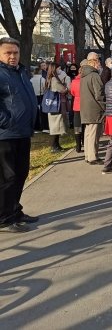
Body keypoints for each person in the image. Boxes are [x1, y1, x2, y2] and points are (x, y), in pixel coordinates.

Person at [0, 37, 38, 233]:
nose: (13, 56)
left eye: (15, 53)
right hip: (5, 135)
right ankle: (4, 218)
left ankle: (15, 210)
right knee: (7, 177)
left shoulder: (21, 72)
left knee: (21, 173)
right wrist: (6, 121)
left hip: (22, 132)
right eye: (8, 53)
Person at [80, 52, 105, 165]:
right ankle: (93, 156)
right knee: (94, 134)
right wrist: (106, 106)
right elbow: (99, 94)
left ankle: (88, 155)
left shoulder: (83, 76)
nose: (100, 63)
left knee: (88, 133)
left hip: (86, 108)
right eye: (98, 61)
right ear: (94, 63)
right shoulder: (94, 76)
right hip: (95, 108)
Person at [45, 62, 69, 153]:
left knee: (55, 125)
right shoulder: (54, 79)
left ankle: (56, 145)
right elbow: (62, 89)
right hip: (56, 105)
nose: (60, 70)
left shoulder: (49, 78)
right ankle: (54, 146)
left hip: (52, 104)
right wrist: (66, 88)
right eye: (58, 68)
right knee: (56, 126)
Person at [70, 61, 87, 153]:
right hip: (85, 105)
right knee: (85, 125)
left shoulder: (74, 81)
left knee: (77, 126)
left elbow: (72, 92)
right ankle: (84, 142)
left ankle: (78, 146)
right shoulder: (86, 81)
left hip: (76, 105)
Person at [30, 66, 46, 132]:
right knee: (42, 112)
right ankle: (43, 126)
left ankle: (35, 126)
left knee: (35, 111)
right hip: (41, 96)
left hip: (33, 96)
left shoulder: (31, 80)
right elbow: (45, 88)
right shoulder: (42, 79)